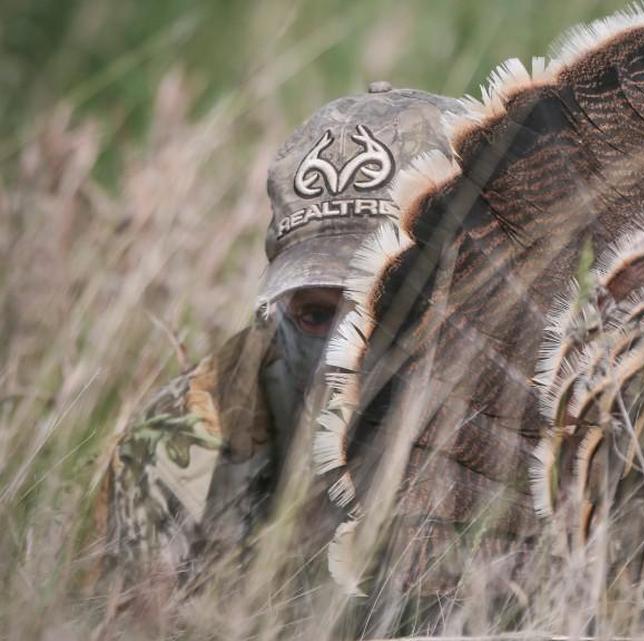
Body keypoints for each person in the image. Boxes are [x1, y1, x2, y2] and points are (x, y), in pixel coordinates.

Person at [97, 82, 463, 586]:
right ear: (280, 306)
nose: (346, 352)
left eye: (390, 308)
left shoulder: (556, 421)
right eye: (316, 314)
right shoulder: (183, 441)